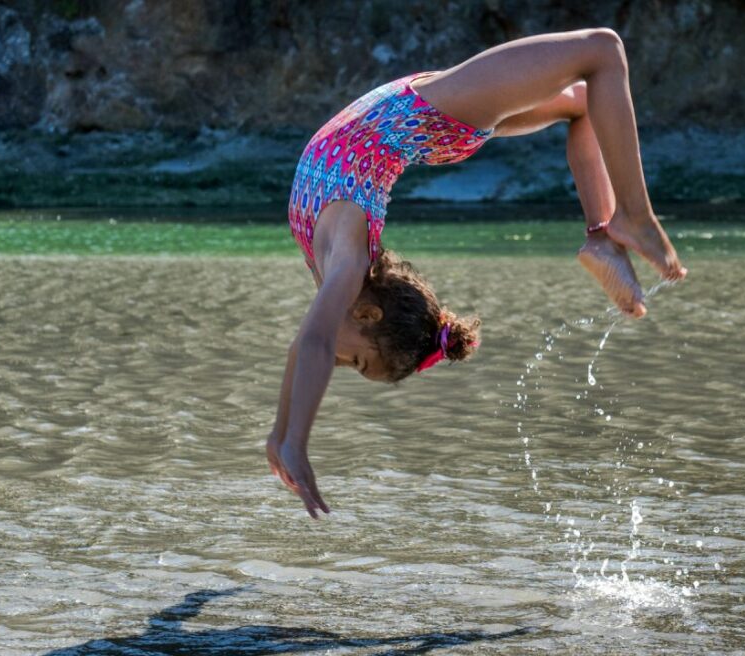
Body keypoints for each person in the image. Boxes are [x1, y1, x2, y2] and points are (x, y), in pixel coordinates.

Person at [266, 28, 687, 518]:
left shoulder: (341, 269)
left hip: (425, 118)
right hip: (431, 115)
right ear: (369, 313)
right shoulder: (348, 263)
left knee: (591, 79)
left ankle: (615, 228)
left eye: (354, 365)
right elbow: (313, 345)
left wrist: (284, 436)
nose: (339, 364)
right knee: (600, 58)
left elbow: (307, 345)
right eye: (356, 363)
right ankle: (617, 225)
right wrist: (292, 438)